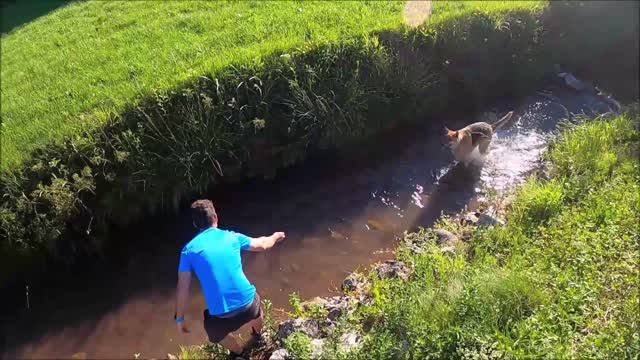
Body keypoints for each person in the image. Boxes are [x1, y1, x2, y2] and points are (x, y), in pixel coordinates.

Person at [174, 199, 285, 357]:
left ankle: (240, 353)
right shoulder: (232, 237)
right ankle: (258, 336)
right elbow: (262, 244)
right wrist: (274, 236)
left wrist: (180, 319)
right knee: (257, 308)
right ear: (216, 218)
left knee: (214, 333)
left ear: (195, 224)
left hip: (221, 318)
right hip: (249, 306)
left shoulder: (188, 251)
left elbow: (182, 289)